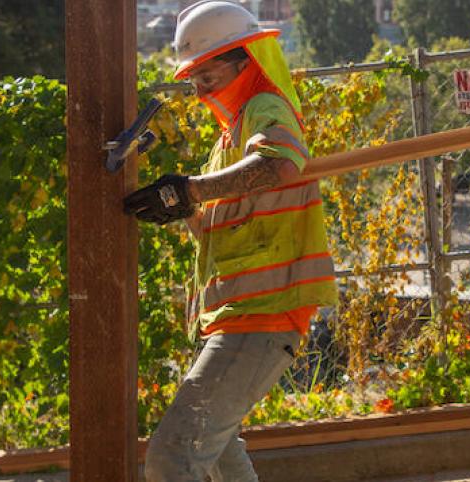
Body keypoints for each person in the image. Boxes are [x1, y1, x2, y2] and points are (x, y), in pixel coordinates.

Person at [122, 1, 338, 480]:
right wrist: (180, 207)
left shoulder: (265, 107)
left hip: (262, 315)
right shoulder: (231, 136)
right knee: (219, 453)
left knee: (173, 456)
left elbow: (279, 165)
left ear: (244, 59)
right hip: (245, 316)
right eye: (194, 80)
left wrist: (191, 190)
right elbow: (221, 226)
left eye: (207, 77)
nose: (200, 92)